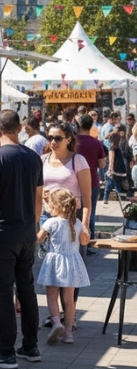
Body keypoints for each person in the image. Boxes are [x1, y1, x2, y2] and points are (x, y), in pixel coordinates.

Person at [0, 109, 43, 368]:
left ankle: (6, 352)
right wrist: (33, 227)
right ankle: (30, 345)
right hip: (27, 233)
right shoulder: (33, 158)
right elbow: (38, 199)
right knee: (27, 290)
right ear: (20, 128)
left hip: (4, 234)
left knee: (3, 294)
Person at [36, 188, 90, 345]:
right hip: (71, 264)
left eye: (51, 205)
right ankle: (68, 333)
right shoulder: (76, 222)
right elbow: (85, 241)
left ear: (57, 206)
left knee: (52, 297)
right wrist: (85, 231)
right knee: (69, 301)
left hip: (54, 263)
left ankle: (56, 322)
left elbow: (38, 239)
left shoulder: (50, 222)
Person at [74, 115, 106, 251]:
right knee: (90, 212)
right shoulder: (96, 142)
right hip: (92, 181)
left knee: (74, 212)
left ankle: (75, 241)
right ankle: (89, 243)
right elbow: (102, 164)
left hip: (74, 181)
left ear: (78, 125)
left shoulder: (72, 142)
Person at [102, 130, 128, 205]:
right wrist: (111, 169)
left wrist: (111, 169)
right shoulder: (115, 148)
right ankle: (113, 198)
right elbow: (111, 159)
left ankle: (107, 198)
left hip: (115, 169)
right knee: (114, 184)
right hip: (116, 170)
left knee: (111, 184)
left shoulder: (113, 148)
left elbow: (111, 159)